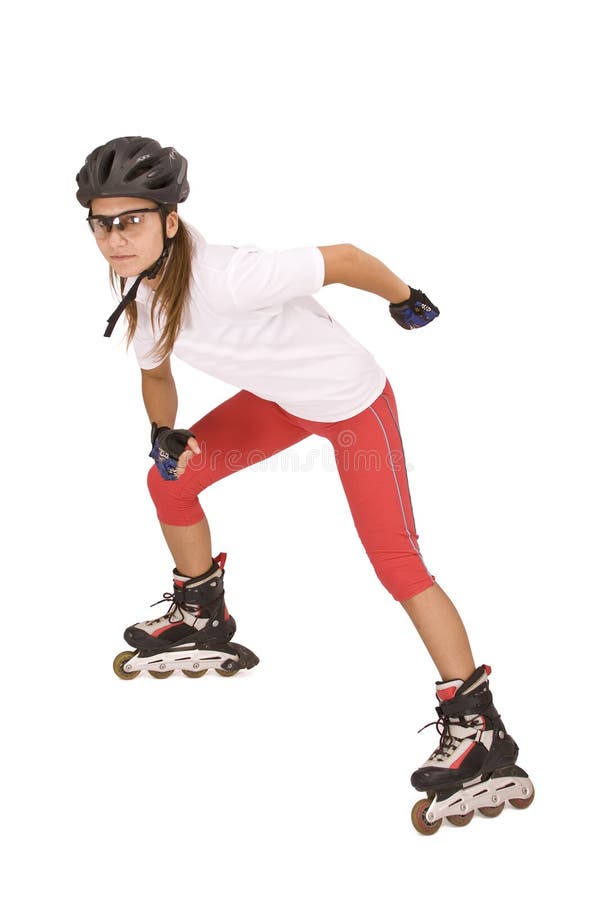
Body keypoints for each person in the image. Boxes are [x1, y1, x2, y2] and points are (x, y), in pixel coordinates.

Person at [75, 136, 534, 832]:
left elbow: (345, 259)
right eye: (101, 224)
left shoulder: (234, 277)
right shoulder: (136, 284)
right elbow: (156, 370)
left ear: (170, 219)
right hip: (278, 402)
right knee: (167, 481)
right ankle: (202, 613)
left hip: (352, 405)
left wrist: (404, 298)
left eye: (130, 220)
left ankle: (480, 731)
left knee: (398, 564)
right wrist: (165, 429)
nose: (114, 239)